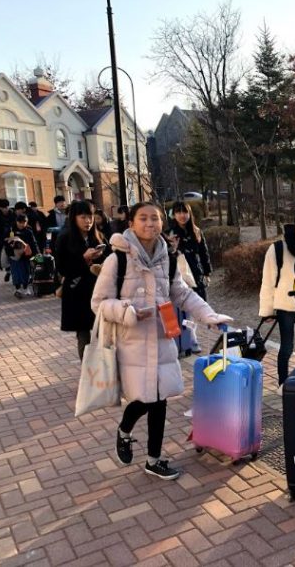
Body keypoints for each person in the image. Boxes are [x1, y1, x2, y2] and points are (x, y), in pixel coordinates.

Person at [91, 201, 233, 480]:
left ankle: (153, 460)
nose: (150, 223)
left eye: (155, 218)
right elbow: (98, 303)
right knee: (143, 398)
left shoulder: (167, 257)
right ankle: (124, 430)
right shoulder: (116, 259)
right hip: (132, 342)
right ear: (131, 223)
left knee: (160, 398)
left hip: (162, 338)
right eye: (143, 218)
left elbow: (181, 293)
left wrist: (209, 315)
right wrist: (128, 312)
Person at [258, 207, 295, 386]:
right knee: (286, 347)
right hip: (286, 305)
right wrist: (267, 310)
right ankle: (283, 384)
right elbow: (268, 281)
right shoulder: (278, 248)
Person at [56, 201, 109, 360]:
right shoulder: (64, 238)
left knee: (103, 331)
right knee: (83, 334)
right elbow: (62, 268)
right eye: (83, 217)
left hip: (98, 290)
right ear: (74, 218)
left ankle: (104, 367)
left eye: (90, 217)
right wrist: (83, 258)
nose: (88, 221)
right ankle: (88, 369)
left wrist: (101, 257)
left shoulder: (98, 236)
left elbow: (110, 261)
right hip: (77, 291)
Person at [4, 214, 40, 298]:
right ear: (16, 222)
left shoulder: (29, 231)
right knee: (16, 272)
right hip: (14, 254)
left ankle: (25, 287)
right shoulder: (10, 229)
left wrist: (37, 253)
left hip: (25, 254)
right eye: (20, 222)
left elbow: (33, 243)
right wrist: (10, 242)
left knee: (26, 271)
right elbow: (4, 240)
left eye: (24, 222)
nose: (22, 224)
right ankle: (18, 289)